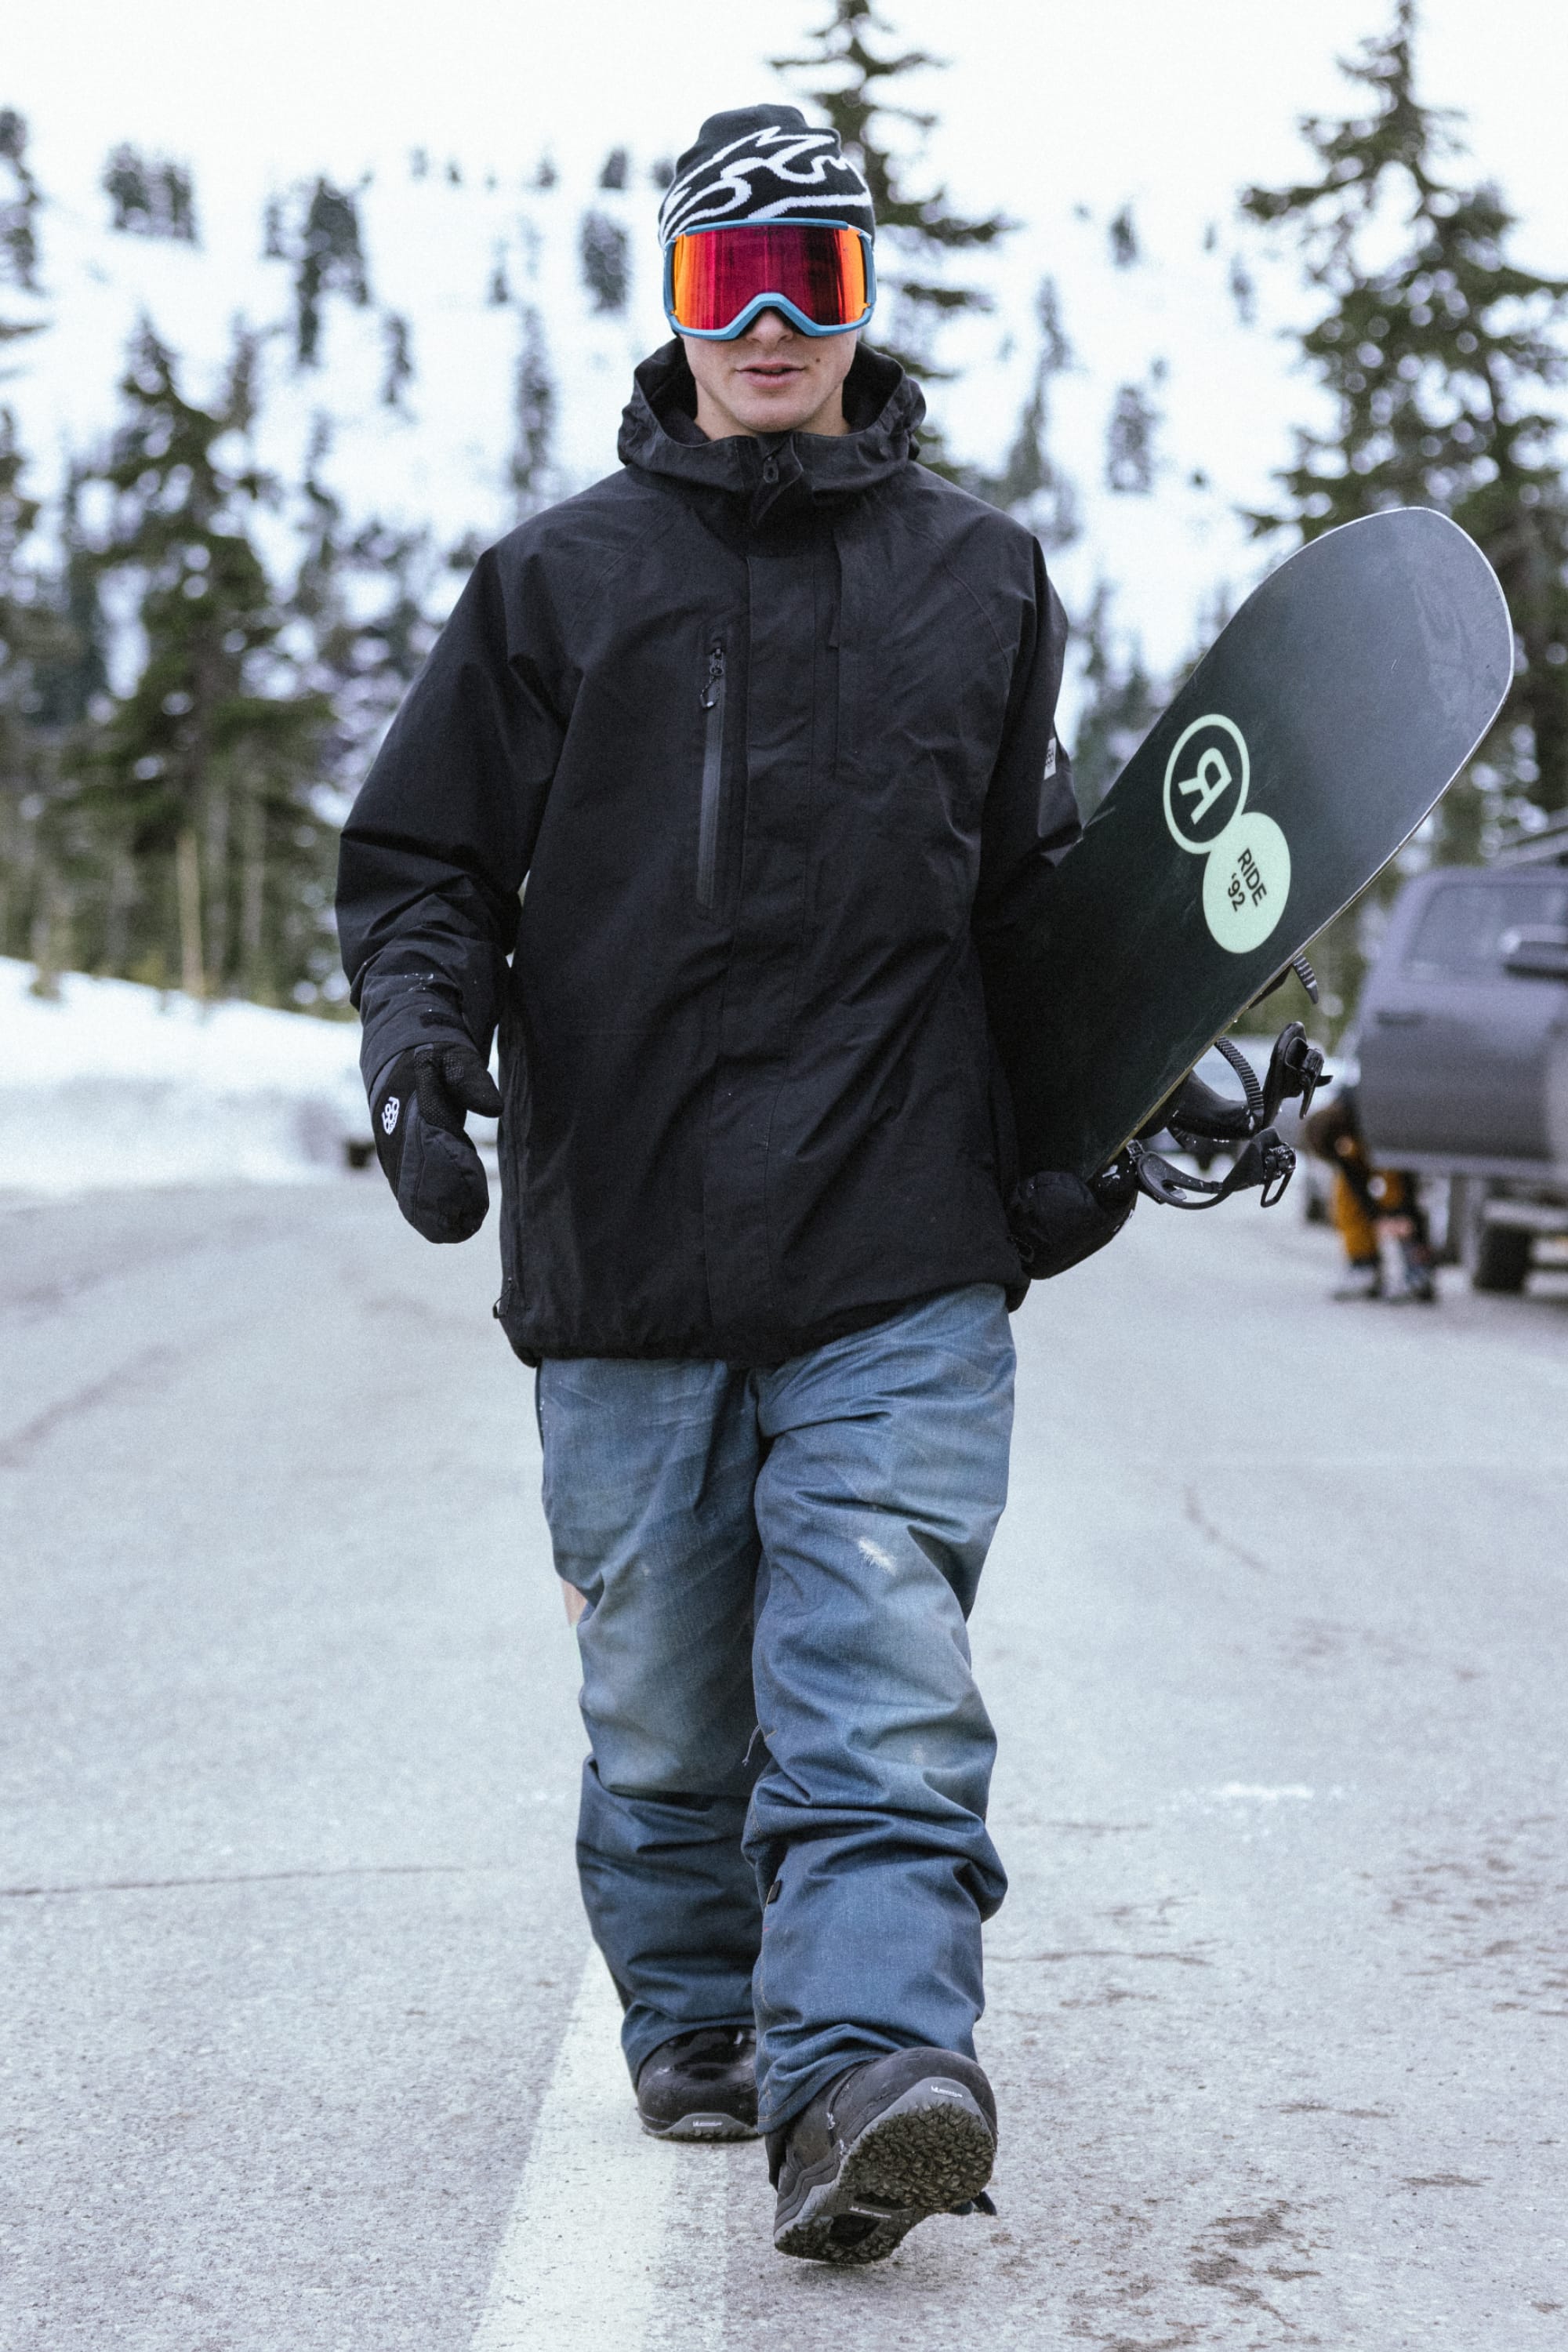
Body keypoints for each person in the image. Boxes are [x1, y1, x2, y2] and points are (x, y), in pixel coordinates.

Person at [336, 103, 1133, 2267]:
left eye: (811, 273)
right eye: (725, 279)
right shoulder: (561, 584)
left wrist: (1103, 1118)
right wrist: (422, 1058)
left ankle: (869, 2068)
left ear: (862, 292)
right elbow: (420, 866)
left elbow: (1034, 897)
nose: (770, 321)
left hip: (898, 1245)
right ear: (675, 304)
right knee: (672, 1707)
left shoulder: (984, 577)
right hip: (627, 1250)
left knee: (881, 1675)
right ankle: (699, 2013)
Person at [1302, 1082, 1436, 1302]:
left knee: (1394, 1189)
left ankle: (1418, 1270)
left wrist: (1400, 1213)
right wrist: (1378, 1217)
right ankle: (1363, 1264)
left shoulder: (1366, 1106)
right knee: (1344, 1195)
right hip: (1366, 1143)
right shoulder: (1340, 1133)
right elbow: (1355, 1182)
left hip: (1392, 1141)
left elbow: (1402, 1176)